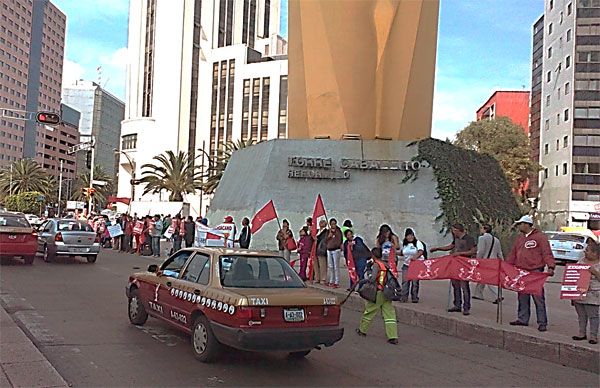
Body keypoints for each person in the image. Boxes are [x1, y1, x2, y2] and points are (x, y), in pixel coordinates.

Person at [506, 215, 555, 332]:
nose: (519, 226)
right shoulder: (520, 239)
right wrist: (507, 266)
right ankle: (522, 318)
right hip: (521, 271)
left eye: (520, 224)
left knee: (538, 297)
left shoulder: (540, 237)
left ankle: (542, 322)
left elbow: (546, 252)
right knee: (522, 296)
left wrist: (551, 266)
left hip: (535, 271)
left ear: (527, 224)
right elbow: (513, 254)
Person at [430, 223, 477, 316]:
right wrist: (438, 248)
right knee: (455, 285)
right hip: (456, 264)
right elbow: (451, 246)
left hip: (464, 264)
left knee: (464, 286)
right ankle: (457, 304)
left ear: (457, 230)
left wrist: (459, 253)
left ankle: (466, 307)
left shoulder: (469, 239)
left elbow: (473, 251)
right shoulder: (456, 239)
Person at [356, 247, 399, 345]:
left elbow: (372, 278)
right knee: (389, 315)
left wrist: (368, 270)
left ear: (373, 256)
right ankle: (393, 336)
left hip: (378, 292)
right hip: (387, 292)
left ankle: (362, 330)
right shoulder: (386, 264)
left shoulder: (376, 265)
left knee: (369, 311)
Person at [572, 237, 600, 345]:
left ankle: (593, 336)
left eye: (587, 250)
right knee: (581, 315)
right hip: (580, 292)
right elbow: (573, 276)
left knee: (593, 316)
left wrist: (594, 272)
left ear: (595, 253)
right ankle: (581, 333)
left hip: (593, 294)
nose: (585, 252)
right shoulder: (581, 261)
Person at [473, 224, 504, 303]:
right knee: (483, 277)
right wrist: (502, 261)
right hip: (494, 261)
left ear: (485, 229)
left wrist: (477, 260)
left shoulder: (482, 238)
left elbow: (481, 251)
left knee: (487, 278)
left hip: (485, 261)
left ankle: (498, 295)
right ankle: (478, 293)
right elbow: (499, 252)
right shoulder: (496, 240)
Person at [399, 228, 425, 303]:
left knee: (415, 282)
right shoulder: (405, 244)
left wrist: (415, 257)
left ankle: (414, 297)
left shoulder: (418, 243)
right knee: (405, 281)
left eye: (411, 235)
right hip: (406, 265)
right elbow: (402, 253)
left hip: (415, 265)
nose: (410, 237)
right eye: (408, 236)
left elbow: (420, 251)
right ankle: (404, 297)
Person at [326, 218, 343, 288]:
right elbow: (325, 240)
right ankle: (331, 280)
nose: (333, 225)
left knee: (336, 266)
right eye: (332, 224)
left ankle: (337, 281)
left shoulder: (338, 231)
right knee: (331, 266)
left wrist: (333, 235)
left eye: (334, 224)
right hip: (329, 249)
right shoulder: (328, 231)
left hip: (336, 250)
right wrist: (328, 237)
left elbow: (339, 240)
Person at [314, 219, 328, 284]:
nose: (321, 224)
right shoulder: (317, 231)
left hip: (321, 249)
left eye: (323, 223)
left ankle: (323, 278)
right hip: (315, 249)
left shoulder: (326, 231)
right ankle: (317, 278)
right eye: (320, 222)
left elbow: (324, 240)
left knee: (322, 265)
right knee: (316, 265)